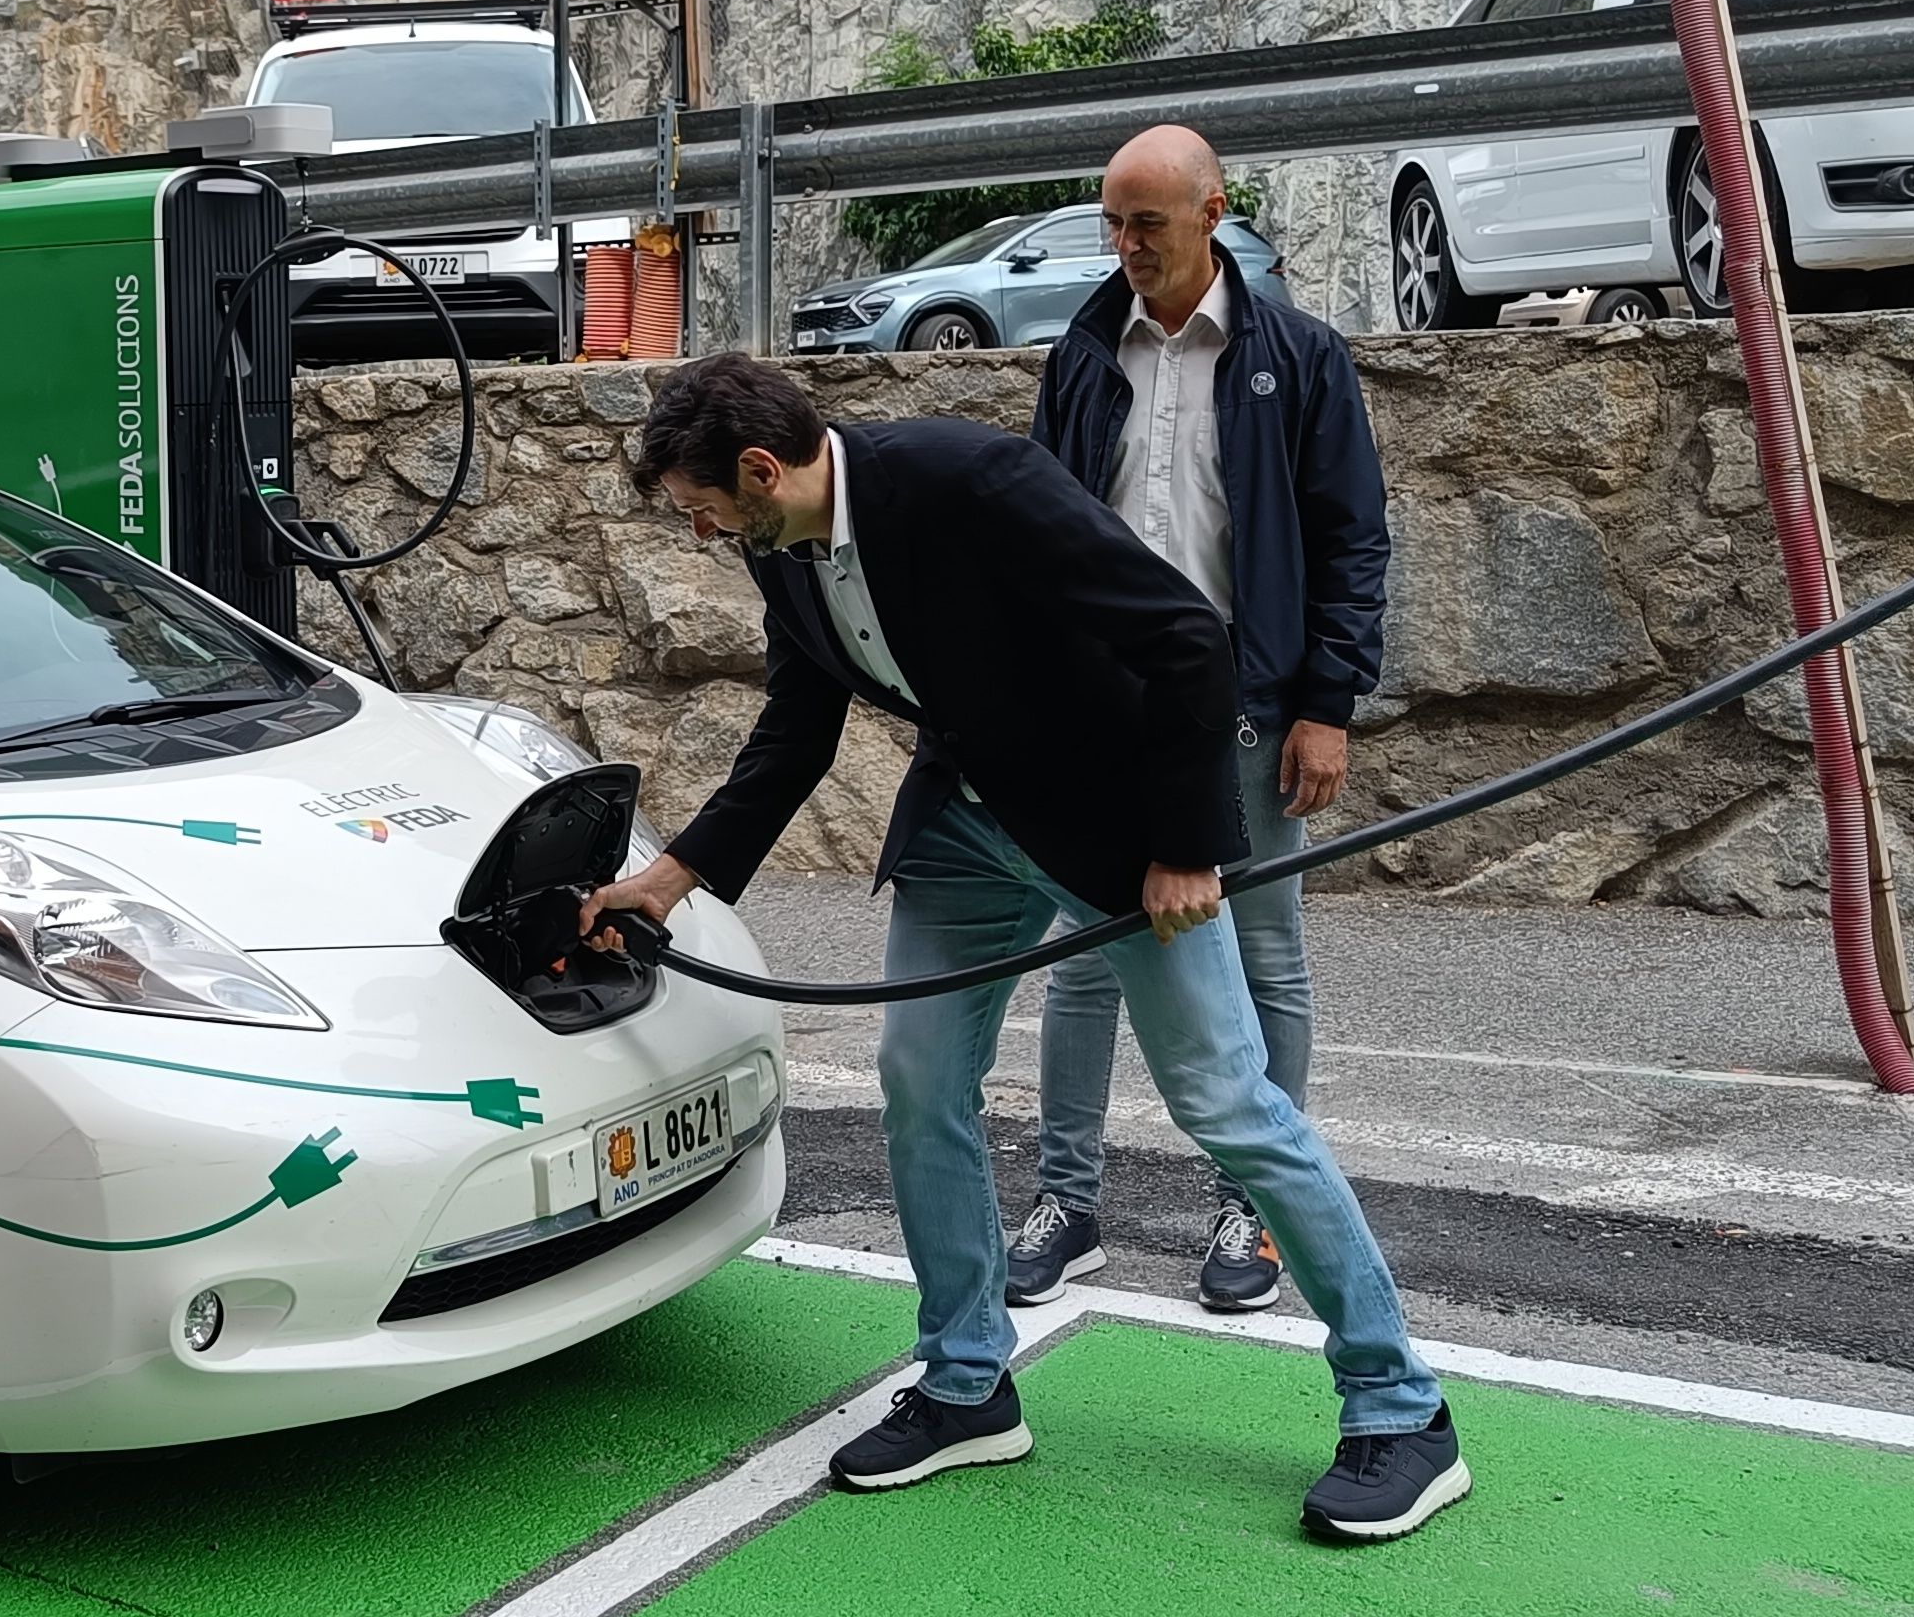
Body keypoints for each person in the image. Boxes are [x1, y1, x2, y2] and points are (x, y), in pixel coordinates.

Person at [583, 350, 1465, 1542]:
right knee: (918, 1082)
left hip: (1113, 829)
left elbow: (1184, 641)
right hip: (965, 822)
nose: (702, 537)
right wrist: (668, 881)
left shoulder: (968, 478)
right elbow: (796, 730)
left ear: (758, 468)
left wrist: (1187, 845)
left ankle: (1401, 1410)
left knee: (1227, 1104)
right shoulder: (779, 546)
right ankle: (965, 1386)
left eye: (701, 514)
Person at [1014, 127, 1388, 1317]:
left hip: (1247, 706)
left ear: (1213, 213)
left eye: (1148, 225)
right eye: (1111, 225)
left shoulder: (1299, 356)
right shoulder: (1080, 353)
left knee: (1262, 954)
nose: (1125, 249)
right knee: (1079, 965)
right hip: (1096, 706)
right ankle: (1067, 1204)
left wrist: (1325, 703)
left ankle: (1255, 1209)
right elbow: (1037, 528)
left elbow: (1349, 541)